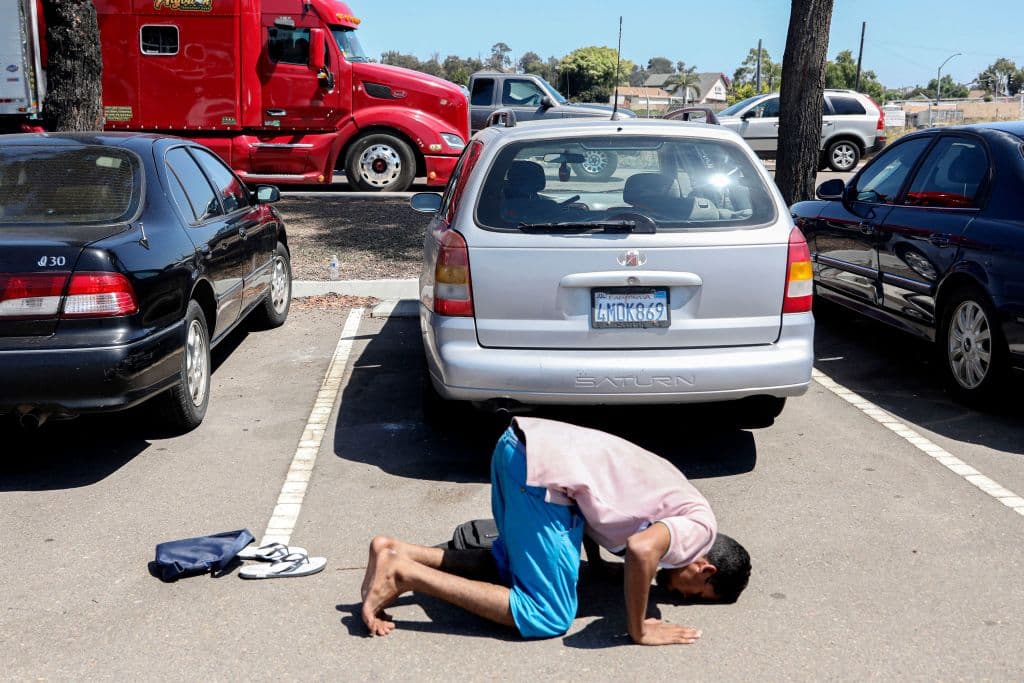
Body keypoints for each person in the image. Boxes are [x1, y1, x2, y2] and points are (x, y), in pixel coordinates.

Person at [360, 417, 750, 646]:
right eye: (695, 594)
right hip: (539, 473)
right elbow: (640, 550)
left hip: (518, 447)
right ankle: (406, 575)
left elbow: (608, 506)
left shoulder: (685, 500)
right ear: (705, 569)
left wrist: (594, 566)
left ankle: (400, 551)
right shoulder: (699, 530)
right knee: (548, 615)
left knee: (512, 566)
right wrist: (640, 627)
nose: (680, 595)